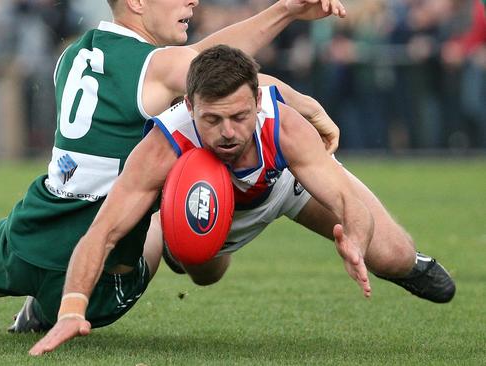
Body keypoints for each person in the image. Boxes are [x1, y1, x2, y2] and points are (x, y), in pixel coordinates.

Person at [0, 0, 348, 356]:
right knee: (175, 218)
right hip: (103, 252)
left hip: (42, 219)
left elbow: (196, 63)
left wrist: (283, 11)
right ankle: (52, 306)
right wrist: (306, 104)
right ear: (137, 5)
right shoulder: (160, 65)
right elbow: (221, 74)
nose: (191, 4)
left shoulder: (78, 51)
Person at [27, 44, 455, 356]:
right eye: (212, 119)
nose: (228, 132)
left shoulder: (283, 123)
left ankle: (408, 264)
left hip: (286, 184)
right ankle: (48, 302)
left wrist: (356, 240)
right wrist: (70, 309)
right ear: (189, 105)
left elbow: (346, 199)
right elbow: (101, 232)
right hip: (203, 204)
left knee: (391, 254)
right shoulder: (163, 144)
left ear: (256, 101)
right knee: (202, 270)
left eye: (239, 116)